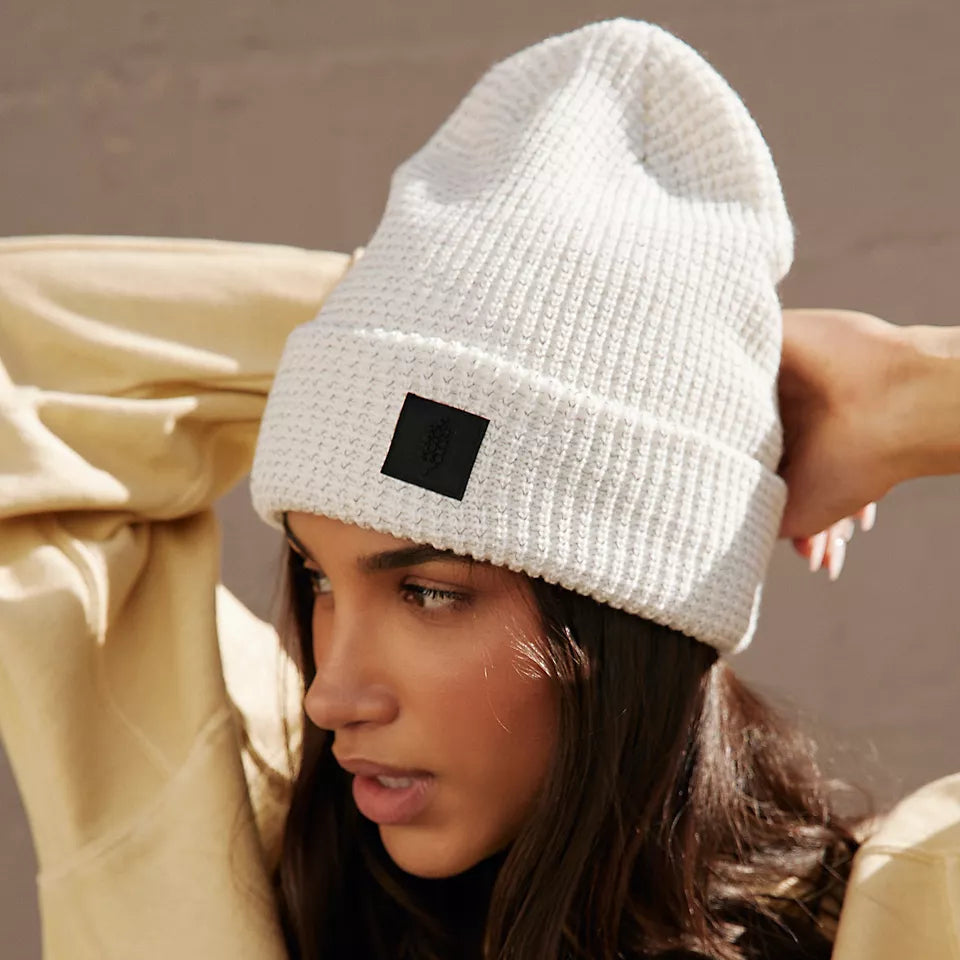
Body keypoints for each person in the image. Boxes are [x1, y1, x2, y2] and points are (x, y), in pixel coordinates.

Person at [0, 18, 957, 960]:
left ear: (629, 624)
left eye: (428, 591)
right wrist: (407, 319)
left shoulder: (901, 918)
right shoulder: (221, 830)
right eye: (320, 580)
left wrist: (908, 392)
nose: (331, 695)